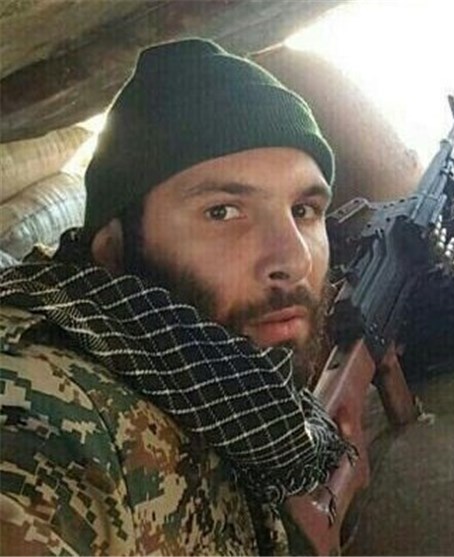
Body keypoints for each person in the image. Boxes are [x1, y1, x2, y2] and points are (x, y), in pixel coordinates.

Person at [0, 38, 350, 555]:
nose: (294, 259)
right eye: (223, 212)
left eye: (304, 210)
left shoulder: (228, 383)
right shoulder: (50, 408)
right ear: (113, 249)